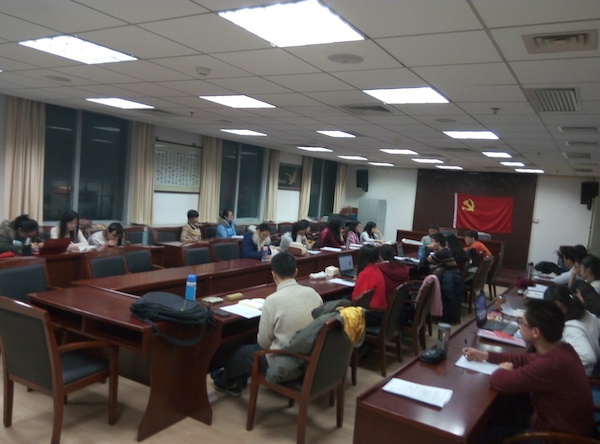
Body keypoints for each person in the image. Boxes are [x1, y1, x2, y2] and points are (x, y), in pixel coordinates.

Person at [464, 299, 595, 441]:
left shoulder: (550, 365)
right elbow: (524, 359)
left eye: (522, 322)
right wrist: (485, 355)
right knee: (502, 409)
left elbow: (498, 381)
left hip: (556, 437)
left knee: (482, 434)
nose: (519, 325)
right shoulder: (562, 348)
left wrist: (503, 370)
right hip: (558, 422)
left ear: (536, 332)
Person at [213, 252, 323, 396]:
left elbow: (263, 343)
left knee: (241, 352)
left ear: (273, 275)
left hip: (285, 362)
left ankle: (227, 380)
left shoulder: (272, 301)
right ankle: (230, 379)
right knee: (249, 349)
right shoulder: (314, 293)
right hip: (311, 357)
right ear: (296, 272)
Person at [543, 285, 600, 375]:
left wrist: (559, 361)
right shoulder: (586, 313)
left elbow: (588, 357)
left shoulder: (572, 328)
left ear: (558, 304)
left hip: (583, 376)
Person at [421, 233, 461, 324]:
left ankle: (447, 319)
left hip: (449, 277)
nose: (430, 243)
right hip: (454, 275)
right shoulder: (445, 251)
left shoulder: (441, 253)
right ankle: (451, 318)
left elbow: (424, 261)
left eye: (432, 242)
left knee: (448, 297)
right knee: (451, 298)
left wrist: (428, 249)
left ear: (437, 243)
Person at [352, 244, 386, 326]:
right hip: (381, 312)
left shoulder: (365, 273)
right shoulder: (376, 269)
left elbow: (355, 300)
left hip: (371, 315)